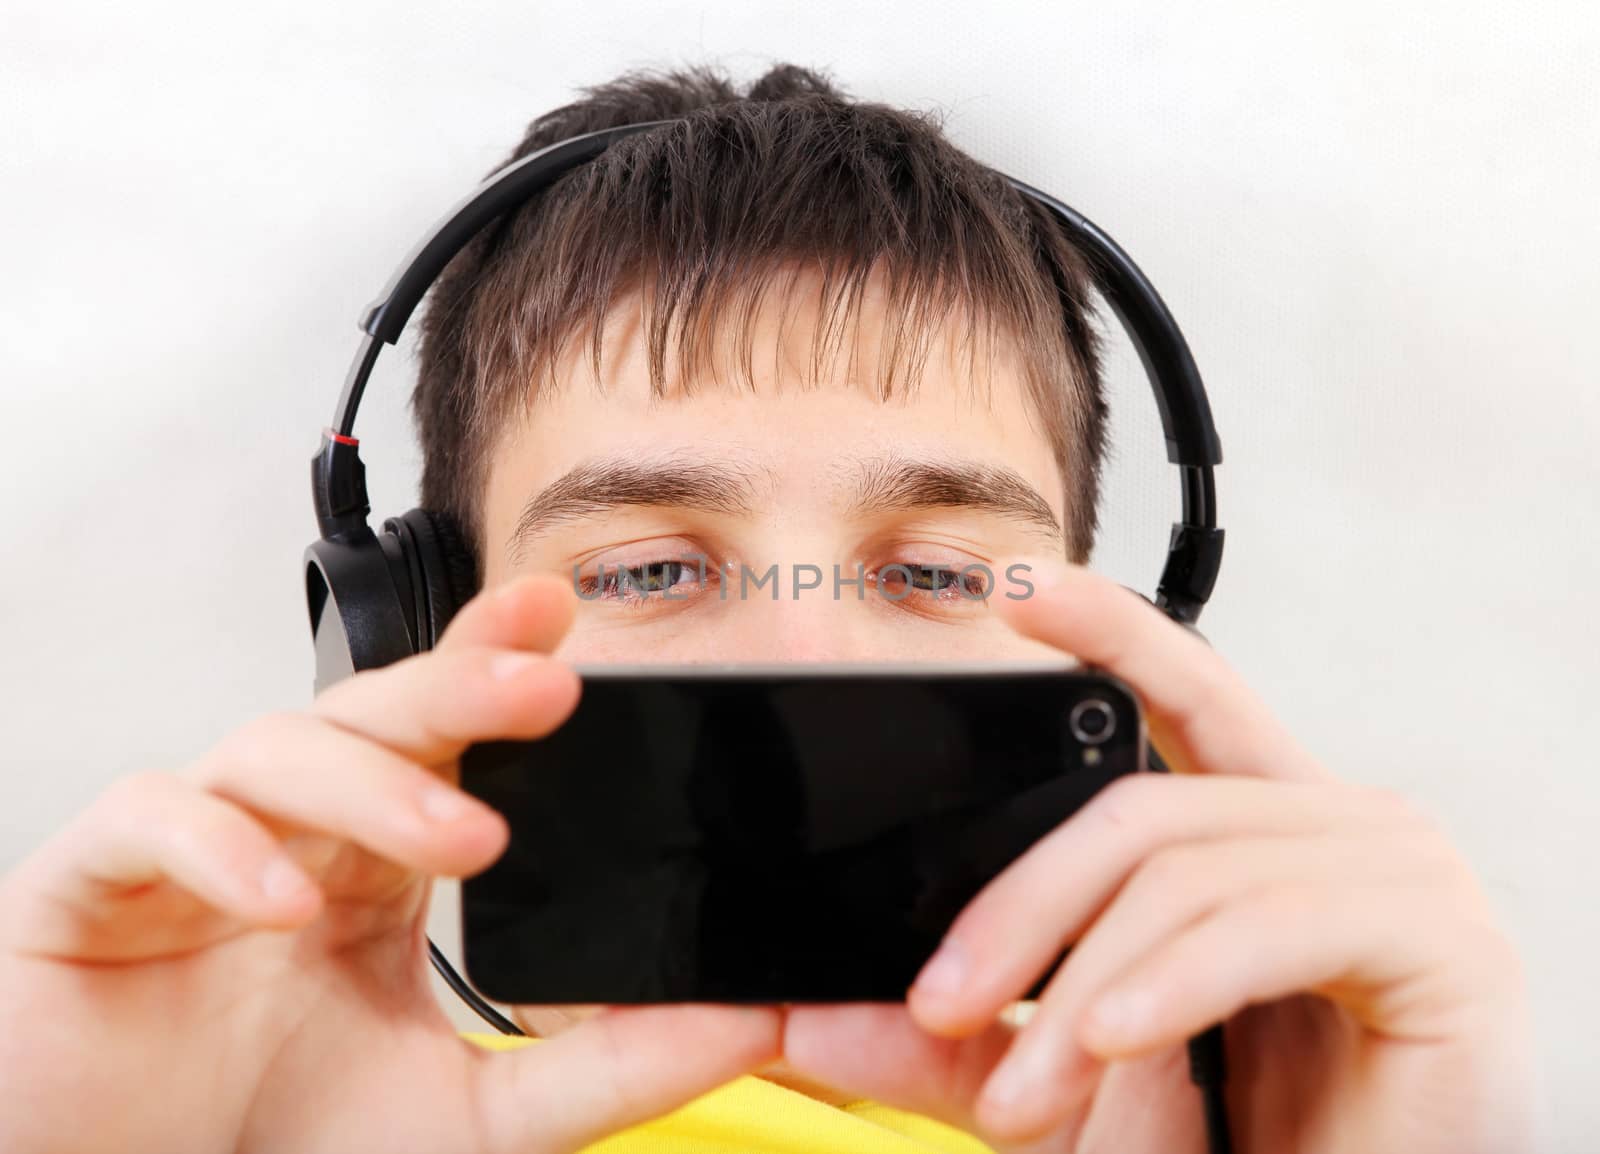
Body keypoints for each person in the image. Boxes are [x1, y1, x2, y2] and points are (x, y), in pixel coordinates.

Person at [0, 62, 1536, 1154]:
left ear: (1113, 668)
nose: (807, 655)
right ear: (414, 640)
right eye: (652, 569)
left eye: (937, 572)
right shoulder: (232, 1115)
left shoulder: (1264, 1119)